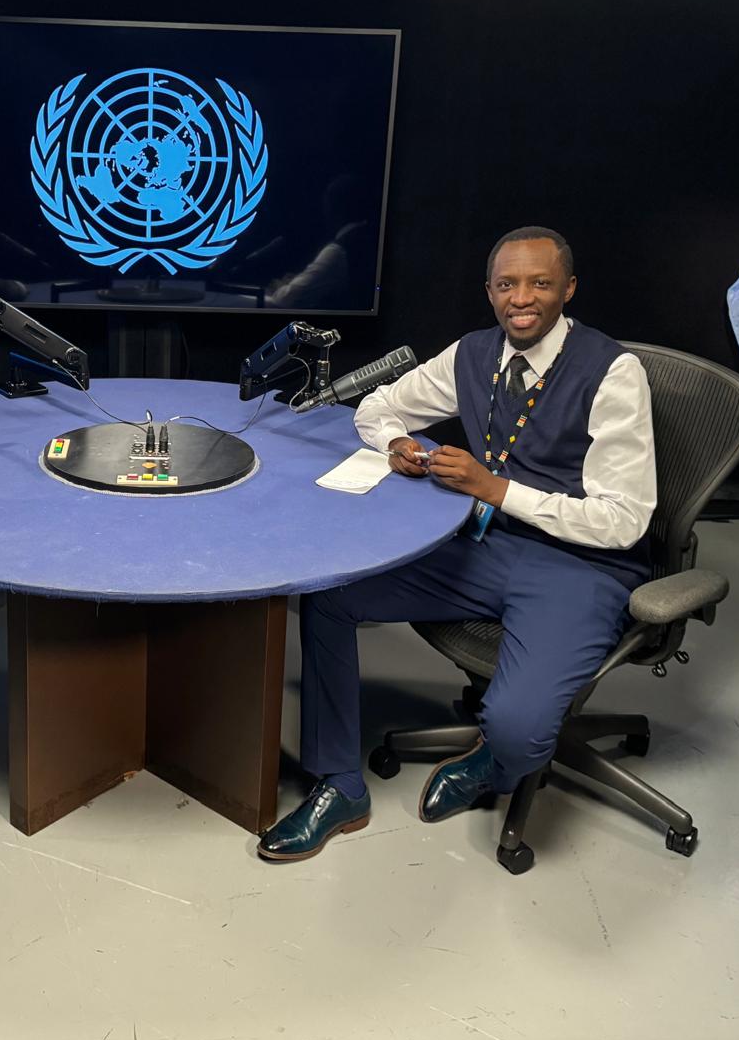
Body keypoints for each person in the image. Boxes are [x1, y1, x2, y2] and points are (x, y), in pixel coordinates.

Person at [257, 226, 656, 861]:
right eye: (506, 284)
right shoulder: (474, 353)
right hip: (482, 545)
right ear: (490, 292)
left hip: (581, 566)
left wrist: (495, 489)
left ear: (569, 289)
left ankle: (492, 763)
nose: (520, 298)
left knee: (521, 731)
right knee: (328, 594)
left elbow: (623, 520)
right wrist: (396, 445)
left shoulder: (614, 372)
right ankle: (339, 783)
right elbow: (376, 406)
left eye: (539, 283)